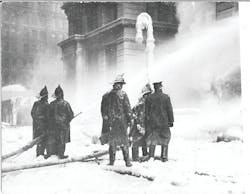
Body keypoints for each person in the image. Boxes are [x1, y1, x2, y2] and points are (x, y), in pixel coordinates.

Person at [103, 74, 133, 167]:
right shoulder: (119, 95)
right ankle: (123, 162)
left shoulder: (108, 95)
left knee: (116, 141)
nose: (119, 86)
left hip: (116, 123)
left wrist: (106, 118)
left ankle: (123, 161)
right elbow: (128, 109)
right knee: (119, 142)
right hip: (118, 123)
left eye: (120, 84)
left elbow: (103, 111)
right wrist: (130, 119)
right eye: (119, 84)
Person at [145, 81, 174, 162]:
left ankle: (151, 156)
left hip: (153, 122)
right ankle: (164, 156)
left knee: (153, 139)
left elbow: (146, 112)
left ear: (154, 88)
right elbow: (169, 110)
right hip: (164, 122)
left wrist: (147, 121)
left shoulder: (149, 97)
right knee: (165, 138)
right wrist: (171, 121)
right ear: (160, 87)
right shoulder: (166, 97)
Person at [49, 85, 74, 159]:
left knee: (56, 139)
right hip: (63, 126)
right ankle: (61, 154)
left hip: (54, 126)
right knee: (62, 141)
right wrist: (66, 121)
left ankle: (56, 153)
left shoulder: (52, 104)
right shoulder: (66, 104)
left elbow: (49, 116)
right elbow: (71, 115)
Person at [129, 84, 152, 161]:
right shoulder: (138, 106)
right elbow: (132, 116)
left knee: (145, 142)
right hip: (137, 128)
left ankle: (145, 155)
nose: (148, 97)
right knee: (136, 142)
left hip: (147, 127)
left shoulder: (152, 106)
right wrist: (137, 125)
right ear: (143, 96)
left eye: (149, 95)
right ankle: (135, 158)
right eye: (146, 95)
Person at [31, 86, 49, 158]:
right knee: (42, 139)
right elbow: (48, 116)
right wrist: (40, 120)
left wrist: (37, 120)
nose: (47, 97)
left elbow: (32, 113)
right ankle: (40, 154)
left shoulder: (36, 103)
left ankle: (39, 153)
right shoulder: (45, 104)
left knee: (39, 139)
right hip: (42, 125)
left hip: (37, 125)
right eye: (46, 96)